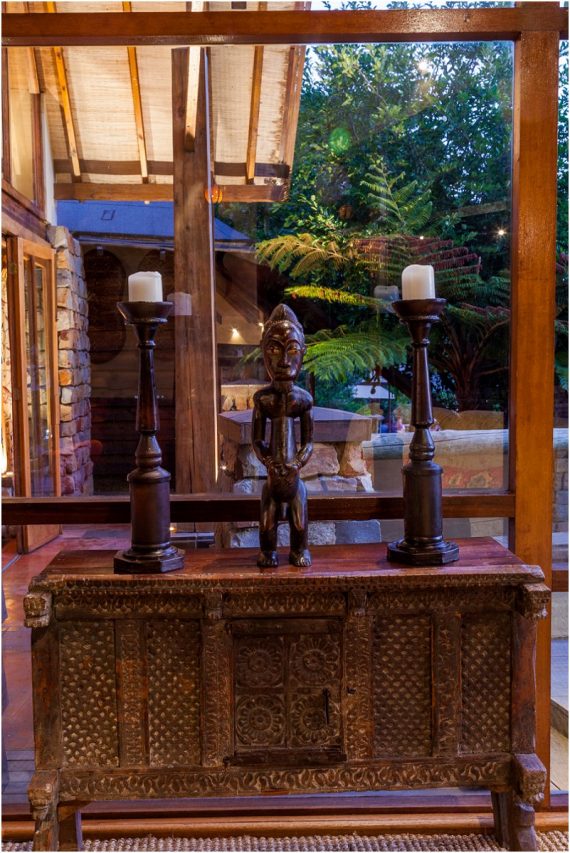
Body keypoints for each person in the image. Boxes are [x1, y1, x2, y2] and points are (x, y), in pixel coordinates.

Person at [252, 305, 314, 568]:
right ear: (264, 352)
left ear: (303, 352)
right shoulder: (263, 400)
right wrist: (267, 461)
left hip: (294, 481)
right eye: (275, 350)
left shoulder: (303, 400)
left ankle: (299, 550)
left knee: (299, 524)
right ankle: (268, 552)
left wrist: (297, 462)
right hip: (273, 482)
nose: (284, 361)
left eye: (292, 350)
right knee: (267, 525)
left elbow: (309, 442)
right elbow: (257, 440)